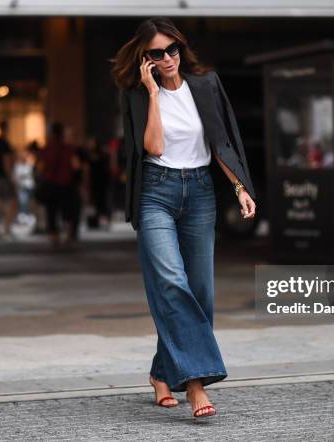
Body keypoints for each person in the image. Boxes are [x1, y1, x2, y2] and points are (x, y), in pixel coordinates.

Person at [111, 17, 256, 418]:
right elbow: (152, 148)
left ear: (180, 47)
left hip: (201, 194)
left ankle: (162, 373)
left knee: (200, 292)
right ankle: (196, 385)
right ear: (145, 58)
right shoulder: (137, 94)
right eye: (156, 53)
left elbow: (220, 141)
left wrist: (241, 189)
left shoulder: (206, 84)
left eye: (171, 49)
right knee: (171, 282)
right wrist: (153, 95)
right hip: (155, 193)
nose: (167, 58)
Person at [40, 122, 78, 246]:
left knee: (51, 211)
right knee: (67, 210)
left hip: (50, 184)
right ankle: (68, 234)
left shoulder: (47, 148)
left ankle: (53, 236)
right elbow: (75, 166)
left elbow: (41, 167)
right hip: (66, 184)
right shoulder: (69, 149)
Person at [0, 120, 17, 240]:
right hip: (4, 177)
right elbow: (6, 161)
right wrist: (10, 177)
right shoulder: (5, 143)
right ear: (5, 129)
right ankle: (7, 227)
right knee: (12, 201)